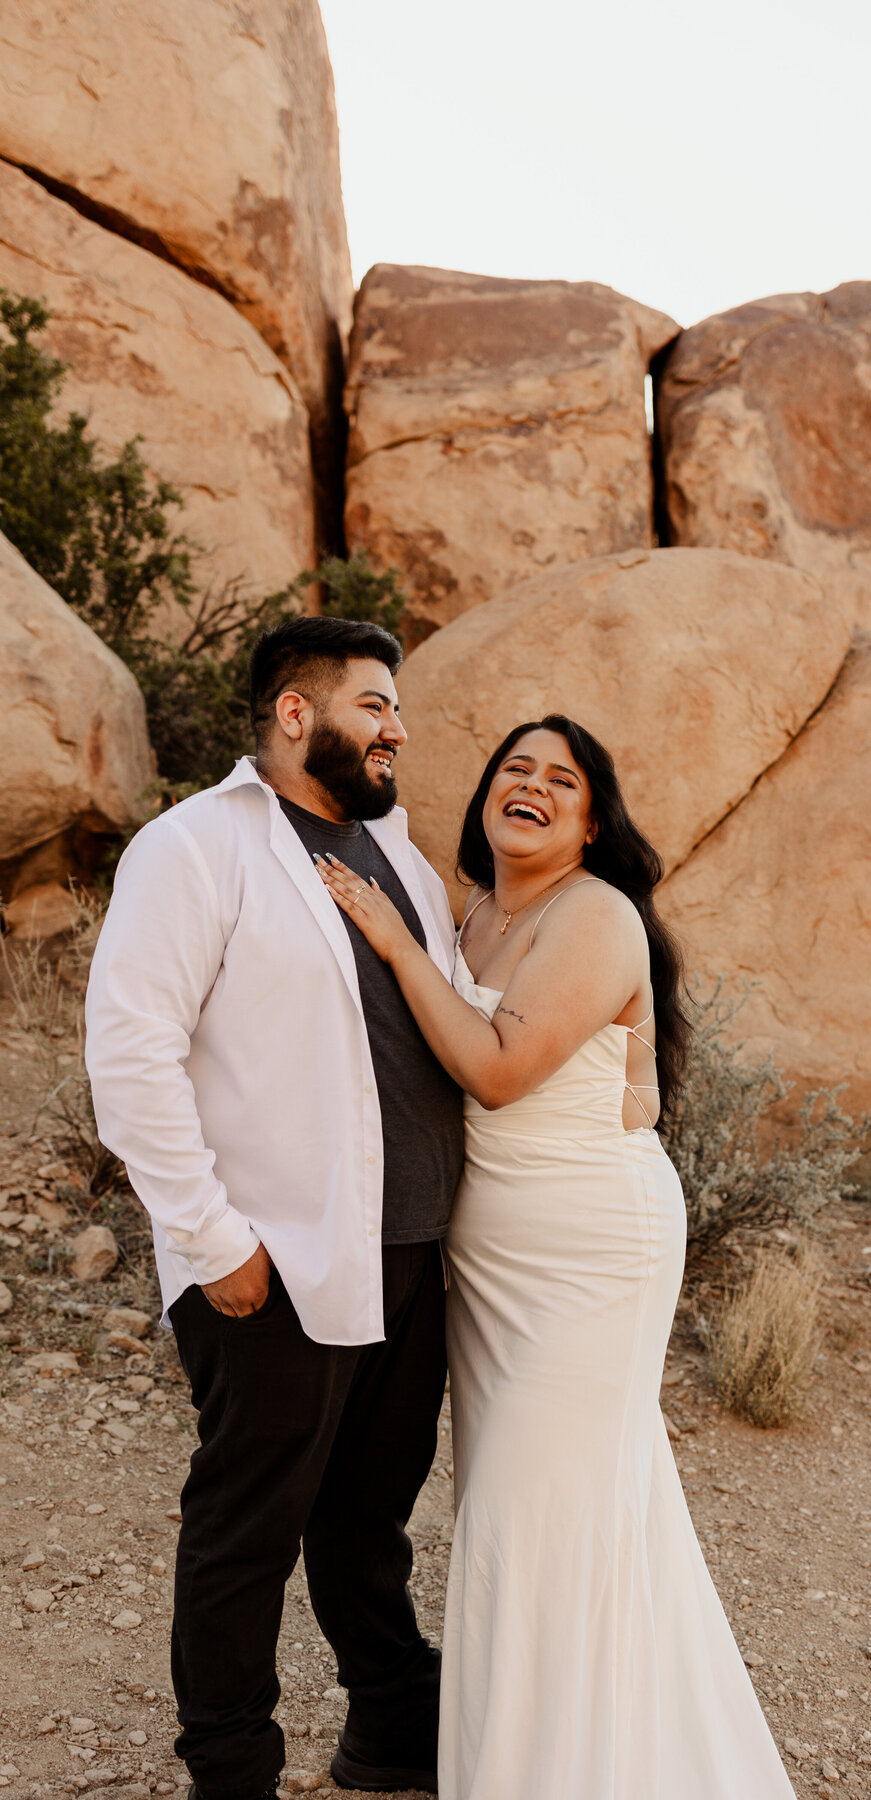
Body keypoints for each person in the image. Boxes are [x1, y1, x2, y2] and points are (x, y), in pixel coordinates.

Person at [316, 713, 795, 1799]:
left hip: (587, 1249)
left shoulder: (596, 916)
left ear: (589, 824)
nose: (531, 786)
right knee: (541, 1505)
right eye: (515, 769)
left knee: (530, 1511)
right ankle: (580, 1755)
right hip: (492, 1262)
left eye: (562, 780)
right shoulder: (476, 911)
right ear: (487, 797)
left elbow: (496, 1065)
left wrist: (393, 939)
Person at [85, 616, 464, 1800]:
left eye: (397, 707)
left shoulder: (399, 858)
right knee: (248, 1524)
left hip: (408, 1251)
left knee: (369, 1519)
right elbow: (131, 1053)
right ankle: (233, 1766)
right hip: (277, 1256)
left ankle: (395, 1723)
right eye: (372, 704)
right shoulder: (196, 846)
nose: (395, 726)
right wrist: (211, 1240)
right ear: (295, 714)